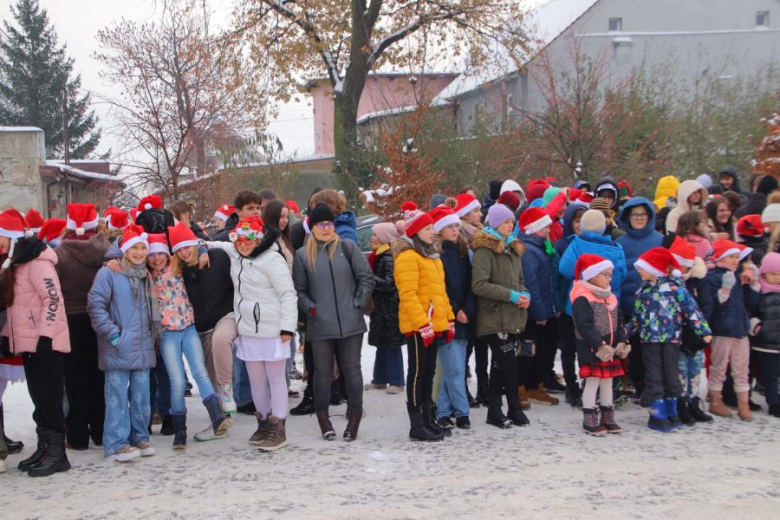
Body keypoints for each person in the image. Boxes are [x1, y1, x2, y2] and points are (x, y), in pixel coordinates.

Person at [206, 218, 297, 451]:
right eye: (239, 239)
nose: (243, 244)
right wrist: (195, 246)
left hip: (273, 330)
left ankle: (279, 428)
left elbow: (287, 293)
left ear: (258, 239)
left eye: (249, 240)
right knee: (256, 380)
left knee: (276, 379)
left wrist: (287, 326)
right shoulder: (235, 254)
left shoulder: (272, 259)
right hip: (248, 331)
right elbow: (211, 244)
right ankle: (264, 422)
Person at [293, 204, 374, 442]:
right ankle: (323, 418)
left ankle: (355, 416)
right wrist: (313, 309)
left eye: (330, 223)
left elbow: (365, 277)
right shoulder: (302, 255)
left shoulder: (347, 247)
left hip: (351, 323)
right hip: (320, 324)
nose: (326, 228)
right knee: (321, 372)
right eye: (321, 224)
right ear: (313, 227)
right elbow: (299, 290)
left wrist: (358, 303)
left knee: (352, 370)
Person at [0, 209, 70, 477]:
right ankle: (44, 448)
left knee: (50, 401)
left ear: (12, 237)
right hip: (28, 344)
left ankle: (57, 454)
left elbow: (53, 300)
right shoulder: (17, 262)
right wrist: (9, 337)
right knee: (39, 400)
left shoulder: (38, 262)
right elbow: (16, 307)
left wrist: (45, 335)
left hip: (46, 343)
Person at [87, 224, 156, 463]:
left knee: (141, 396)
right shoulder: (109, 272)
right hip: (118, 345)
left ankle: (140, 436)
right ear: (124, 250)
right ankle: (116, 443)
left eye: (142, 248)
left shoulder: (146, 273)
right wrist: (113, 334)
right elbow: (95, 305)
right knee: (116, 395)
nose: (139, 253)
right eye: (134, 248)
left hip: (143, 345)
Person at [628, 247, 711, 432]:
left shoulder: (675, 289)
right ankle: (657, 414)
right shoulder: (643, 291)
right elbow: (636, 317)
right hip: (649, 340)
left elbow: (692, 310)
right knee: (654, 374)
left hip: (672, 339)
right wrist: (624, 335)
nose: (639, 271)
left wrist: (702, 329)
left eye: (642, 267)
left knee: (672, 375)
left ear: (655, 268)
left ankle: (672, 411)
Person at [393, 204, 455, 441]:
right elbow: (408, 295)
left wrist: (448, 318)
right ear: (416, 231)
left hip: (434, 324)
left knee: (429, 373)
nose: (432, 232)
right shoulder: (408, 257)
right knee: (417, 373)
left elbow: (441, 293)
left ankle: (429, 418)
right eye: (427, 228)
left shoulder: (432, 257)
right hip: (418, 326)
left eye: (432, 228)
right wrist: (422, 323)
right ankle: (417, 424)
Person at [54, 203, 111, 451]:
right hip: (101, 319)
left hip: (72, 319)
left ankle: (77, 436)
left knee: (75, 380)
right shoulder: (106, 250)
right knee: (100, 377)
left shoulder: (60, 253)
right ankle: (100, 430)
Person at [471, 203, 531, 429]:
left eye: (512, 221)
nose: (511, 224)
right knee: (509, 365)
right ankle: (513, 407)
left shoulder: (513, 248)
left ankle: (495, 411)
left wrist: (524, 293)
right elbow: (479, 285)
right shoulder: (484, 250)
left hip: (513, 316)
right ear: (496, 223)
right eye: (507, 221)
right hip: (494, 317)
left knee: (500, 365)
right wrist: (511, 296)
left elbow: (520, 280)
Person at [211, 190, 264, 414]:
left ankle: (253, 395)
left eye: (258, 208)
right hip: (231, 304)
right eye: (251, 208)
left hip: (258, 303)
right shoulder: (225, 238)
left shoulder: (265, 237)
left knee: (254, 351)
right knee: (238, 352)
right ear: (238, 211)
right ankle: (240, 397)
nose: (255, 212)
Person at [699, 240, 760, 421]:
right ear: (721, 258)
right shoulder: (712, 277)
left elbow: (750, 301)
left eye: (736, 257)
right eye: (731, 257)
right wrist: (725, 290)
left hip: (740, 330)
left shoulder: (739, 276)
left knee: (742, 369)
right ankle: (716, 401)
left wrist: (754, 284)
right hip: (722, 330)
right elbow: (713, 304)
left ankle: (744, 404)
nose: (735, 261)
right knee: (719, 367)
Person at [570, 255, 628, 436]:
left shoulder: (611, 297)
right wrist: (599, 345)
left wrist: (621, 341)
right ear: (592, 275)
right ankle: (589, 417)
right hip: (592, 349)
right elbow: (584, 326)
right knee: (592, 382)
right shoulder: (583, 297)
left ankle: (607, 416)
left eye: (610, 275)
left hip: (610, 349)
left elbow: (619, 322)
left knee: (608, 383)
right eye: (605, 275)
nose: (609, 279)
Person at [431, 205, 474, 430]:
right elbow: (441, 288)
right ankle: (462, 411)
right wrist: (456, 310)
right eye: (450, 226)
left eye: (457, 225)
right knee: (454, 368)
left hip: (466, 315)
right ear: (439, 230)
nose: (455, 229)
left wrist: (467, 308)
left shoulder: (464, 253)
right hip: (447, 316)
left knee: (456, 367)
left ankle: (445, 411)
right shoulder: (437, 255)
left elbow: (471, 284)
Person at [667, 236, 713, 424]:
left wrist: (701, 333)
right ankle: (681, 404)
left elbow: (705, 307)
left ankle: (693, 402)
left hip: (695, 335)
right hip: (677, 336)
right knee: (681, 370)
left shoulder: (697, 282)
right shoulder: (668, 284)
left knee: (694, 370)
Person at [517, 208, 560, 407]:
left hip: (546, 309)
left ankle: (536, 385)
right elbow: (531, 283)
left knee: (543, 351)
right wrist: (540, 311)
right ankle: (521, 387)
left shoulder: (545, 248)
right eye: (545, 227)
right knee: (527, 350)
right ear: (535, 229)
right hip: (532, 313)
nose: (549, 230)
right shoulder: (528, 250)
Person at [263, 199, 302, 385]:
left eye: (287, 216)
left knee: (289, 346)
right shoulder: (267, 239)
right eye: (281, 216)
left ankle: (283, 384)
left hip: (288, 297)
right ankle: (278, 387)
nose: (285, 220)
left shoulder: (285, 238)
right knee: (280, 346)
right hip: (274, 300)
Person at [365, 223, 406, 395]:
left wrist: (369, 277)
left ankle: (397, 381)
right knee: (381, 344)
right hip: (381, 309)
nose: (372, 238)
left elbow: (390, 283)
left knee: (391, 345)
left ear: (384, 237)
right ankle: (380, 379)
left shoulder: (388, 256)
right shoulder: (378, 255)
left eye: (375, 235)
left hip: (389, 309)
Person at [555, 202, 588, 405]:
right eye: (576, 221)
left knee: (586, 347)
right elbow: (559, 278)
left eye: (583, 221)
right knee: (568, 349)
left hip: (587, 305)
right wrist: (558, 303)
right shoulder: (562, 245)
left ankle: (587, 383)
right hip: (567, 304)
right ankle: (571, 385)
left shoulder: (589, 243)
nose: (579, 225)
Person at [752, 252, 780, 418]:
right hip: (766, 343)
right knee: (769, 374)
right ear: (764, 274)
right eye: (773, 274)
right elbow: (752, 311)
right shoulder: (760, 292)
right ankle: (774, 402)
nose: (777, 278)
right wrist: (756, 326)